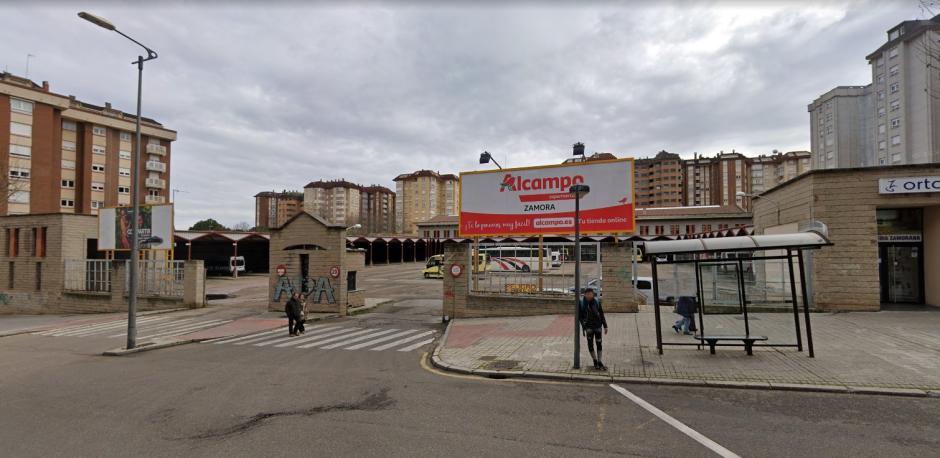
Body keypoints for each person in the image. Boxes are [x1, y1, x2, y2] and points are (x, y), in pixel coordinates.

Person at [578, 287, 608, 370]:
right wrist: (583, 325)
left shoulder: (597, 302)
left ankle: (600, 361)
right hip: (589, 328)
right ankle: (595, 360)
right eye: (587, 294)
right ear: (584, 294)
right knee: (590, 345)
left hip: (598, 327)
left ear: (593, 294)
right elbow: (580, 316)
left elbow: (601, 314)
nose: (589, 296)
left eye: (590, 294)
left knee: (599, 344)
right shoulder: (581, 303)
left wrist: (605, 326)